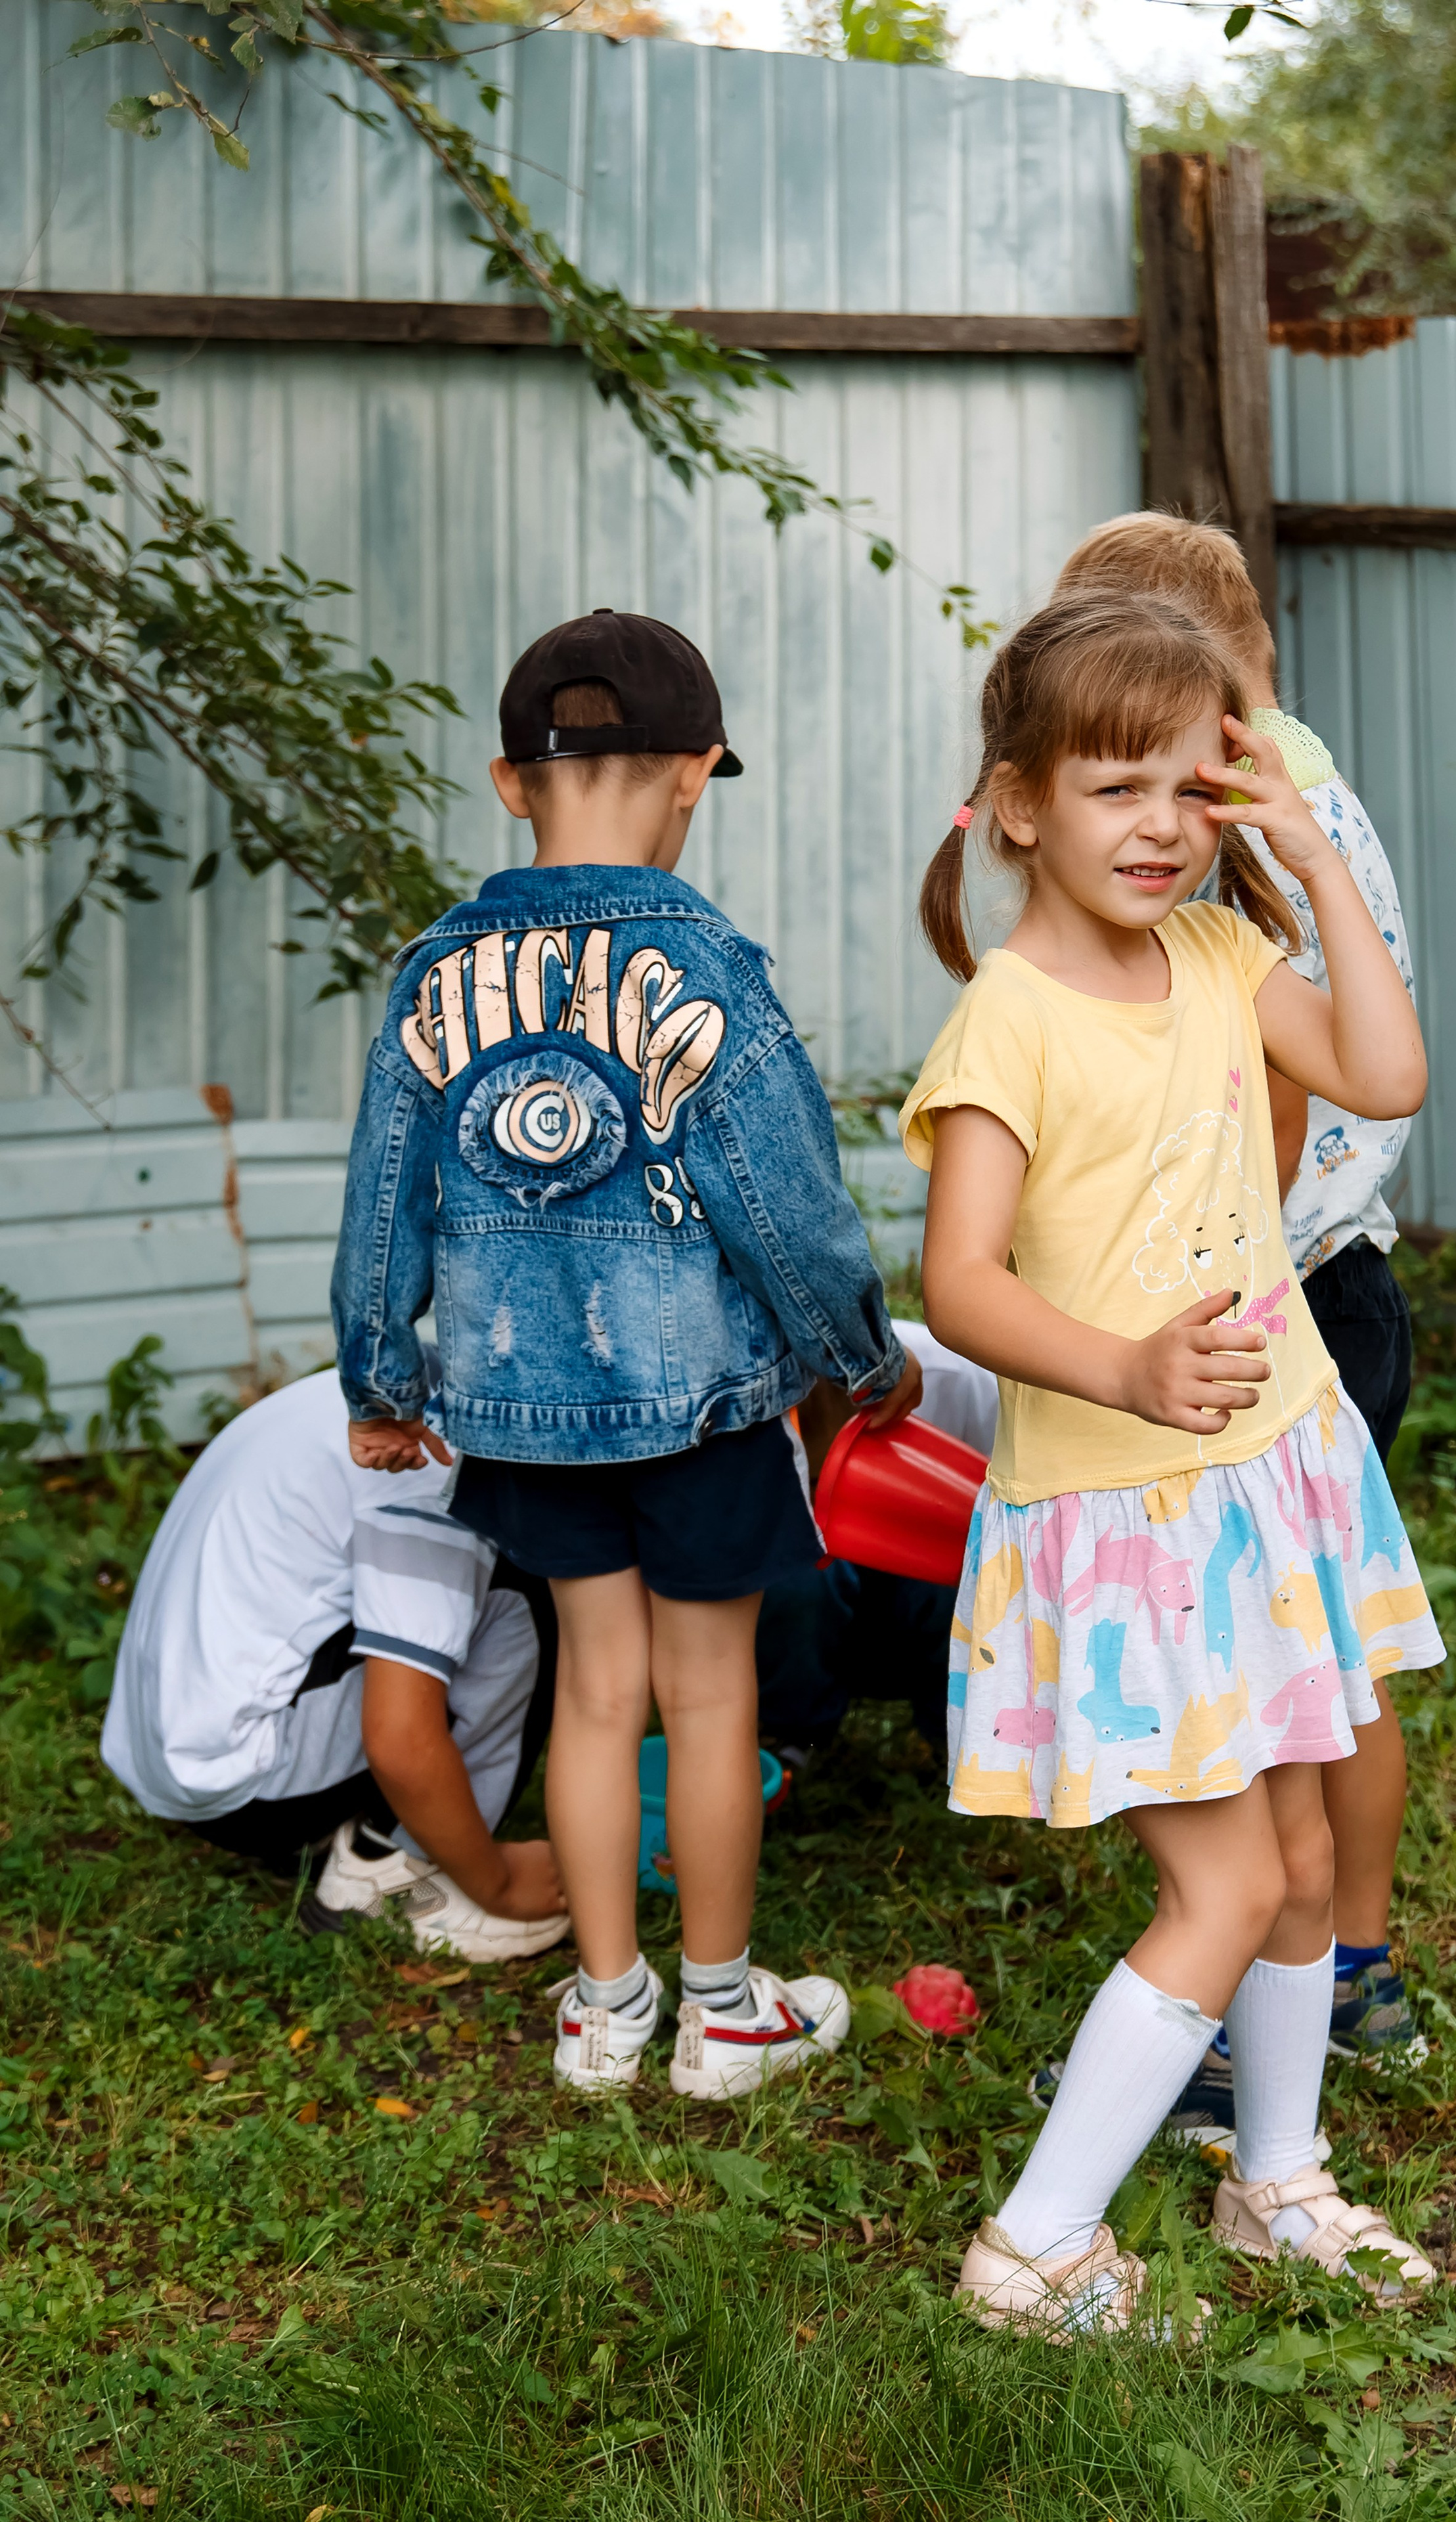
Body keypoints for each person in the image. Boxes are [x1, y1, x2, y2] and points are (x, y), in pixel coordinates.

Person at [902, 589, 1444, 2336]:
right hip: (1125, 1519)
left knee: (1293, 1859)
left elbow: (1388, 1067)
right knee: (1225, 1883)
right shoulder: (1011, 1020)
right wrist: (1127, 1364)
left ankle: (1274, 2183)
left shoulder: (1221, 960)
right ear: (1020, 807)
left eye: (1190, 791)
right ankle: (1036, 2245)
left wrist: (1311, 859)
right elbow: (959, 1280)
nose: (1157, 827)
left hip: (1268, 1476)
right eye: (1116, 785)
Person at [331, 608, 921, 2101]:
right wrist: (856, 1354)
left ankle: (603, 2007)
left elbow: (378, 1201)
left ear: (505, 781)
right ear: (694, 774)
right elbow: (786, 1204)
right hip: (701, 1404)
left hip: (523, 1410)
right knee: (706, 1692)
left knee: (594, 1690)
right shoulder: (708, 973)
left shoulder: (427, 981)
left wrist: (380, 1383)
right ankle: (721, 2012)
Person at [1057, 514, 1423, 2075]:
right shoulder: (1308, 797)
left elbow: (1261, 1098)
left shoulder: (1225, 829)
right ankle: (1355, 1962)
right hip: (1354, 1273)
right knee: (1331, 1665)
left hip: (1263, 1309)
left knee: (1252, 1684)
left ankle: (1251, 1990)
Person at [101, 1369, 570, 1964]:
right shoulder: (430, 1461)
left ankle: (349, 1836)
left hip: (165, 1755)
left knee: (436, 1599)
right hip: (250, 1785)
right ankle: (401, 1866)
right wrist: (498, 1879)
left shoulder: (376, 1392)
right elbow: (399, 1739)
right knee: (530, 1579)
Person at [757, 1319, 1000, 1759]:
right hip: (807, 1612)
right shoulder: (754, 1393)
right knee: (798, 1579)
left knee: (968, 1573)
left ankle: (963, 1739)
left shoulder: (957, 1378)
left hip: (925, 1591)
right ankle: (791, 1736)